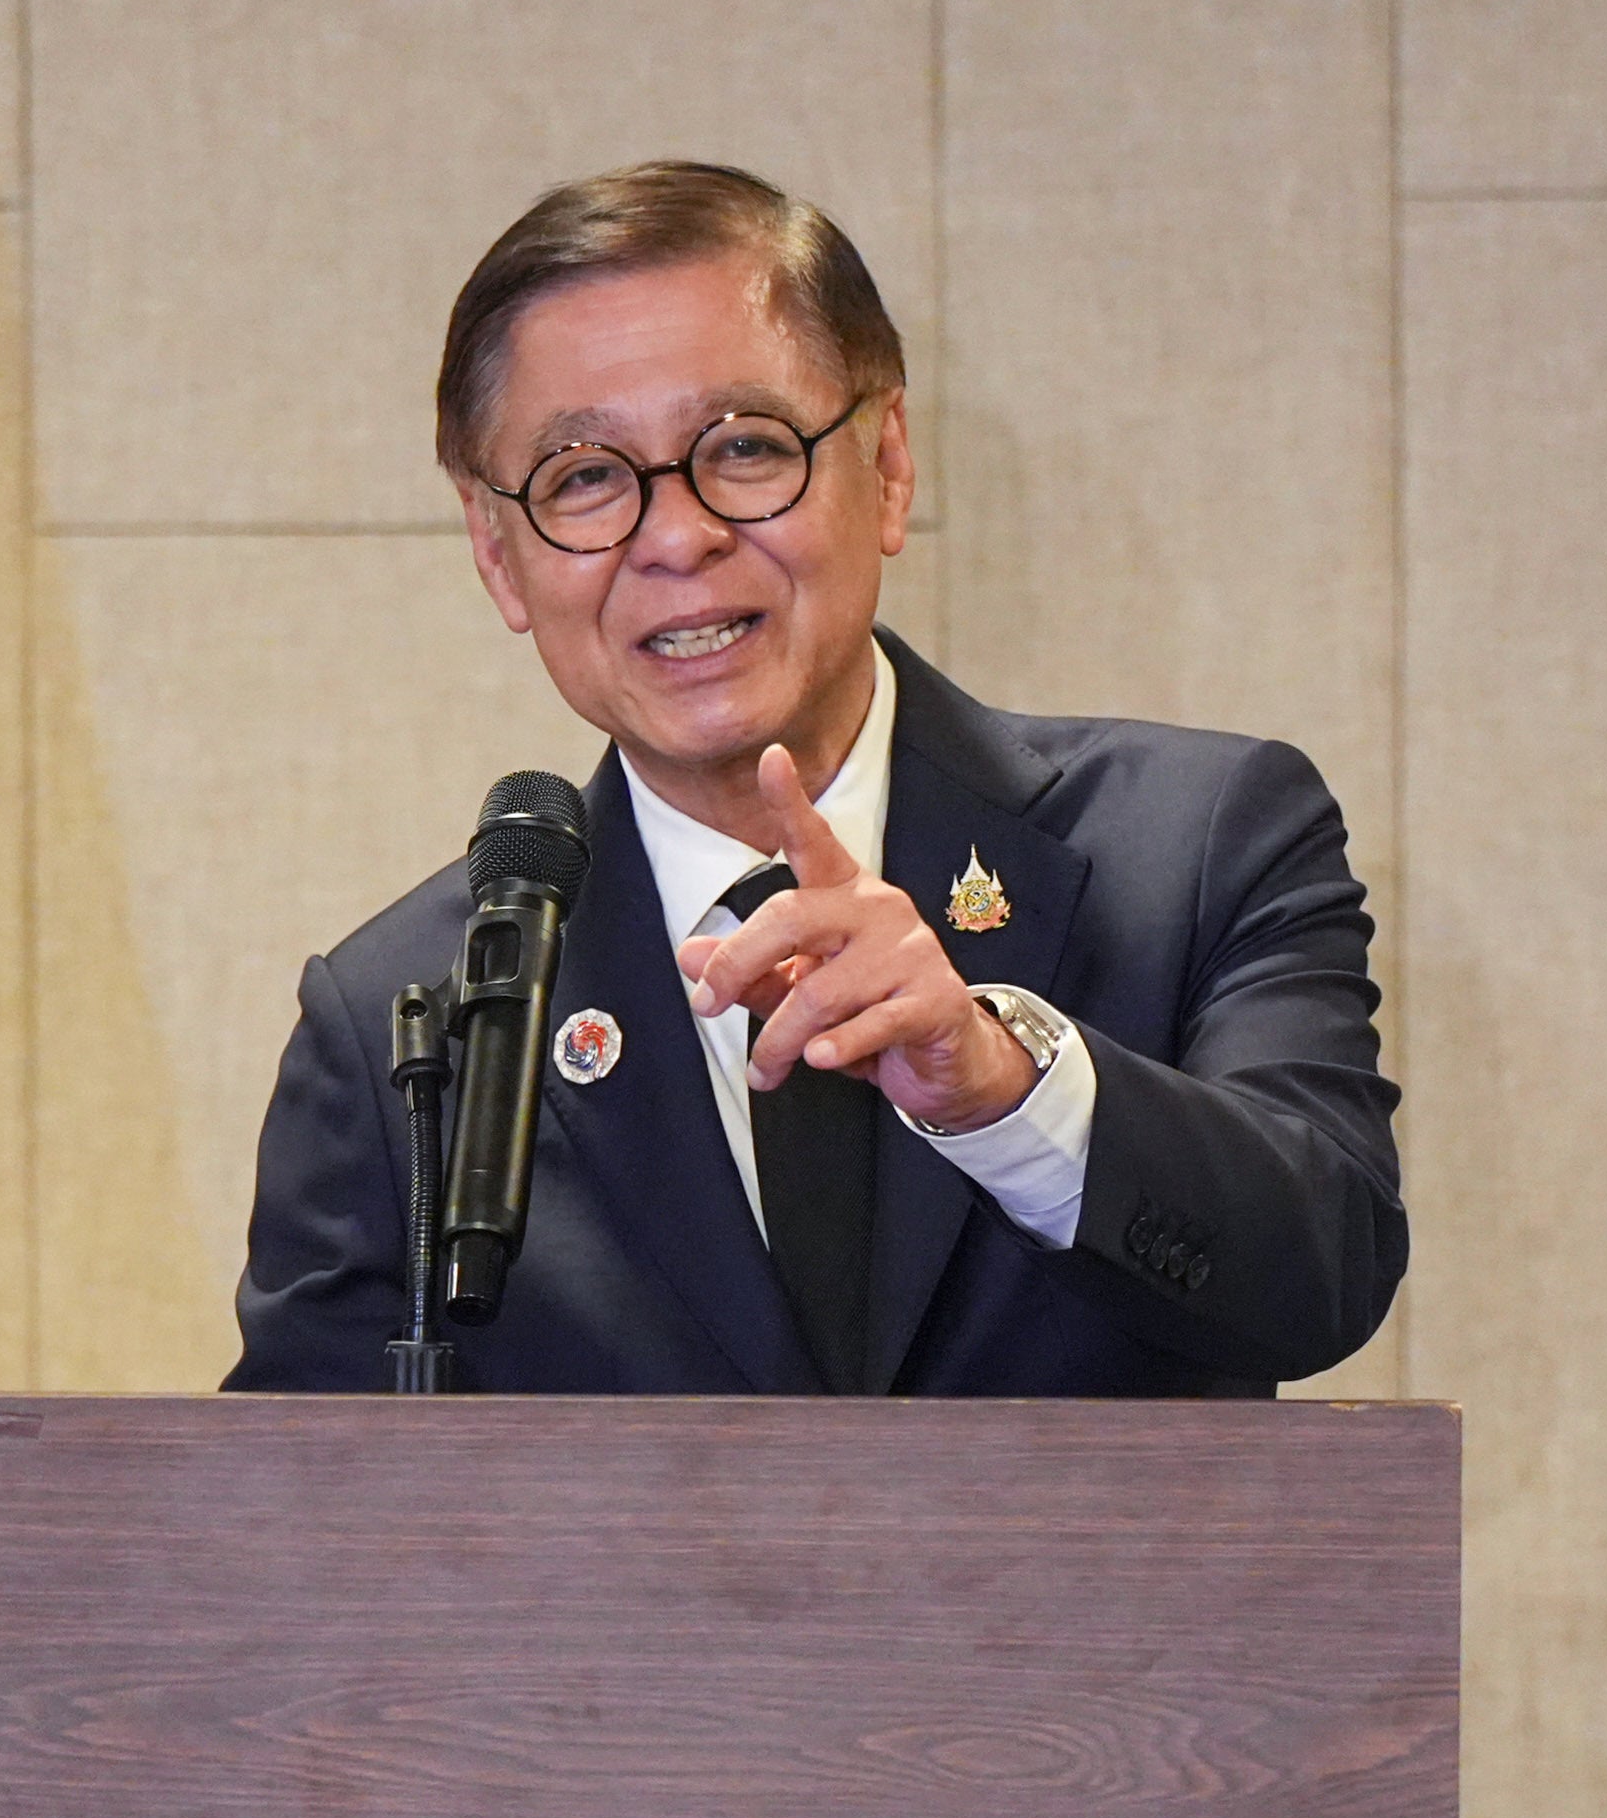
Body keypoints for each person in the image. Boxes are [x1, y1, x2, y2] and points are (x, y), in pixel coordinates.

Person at [227, 161, 1403, 1395]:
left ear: (887, 464)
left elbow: (1319, 1274)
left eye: (743, 448)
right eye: (583, 477)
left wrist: (997, 1084)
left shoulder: (1198, 845)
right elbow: (297, 1534)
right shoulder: (400, 1023)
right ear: (497, 553)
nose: (676, 536)